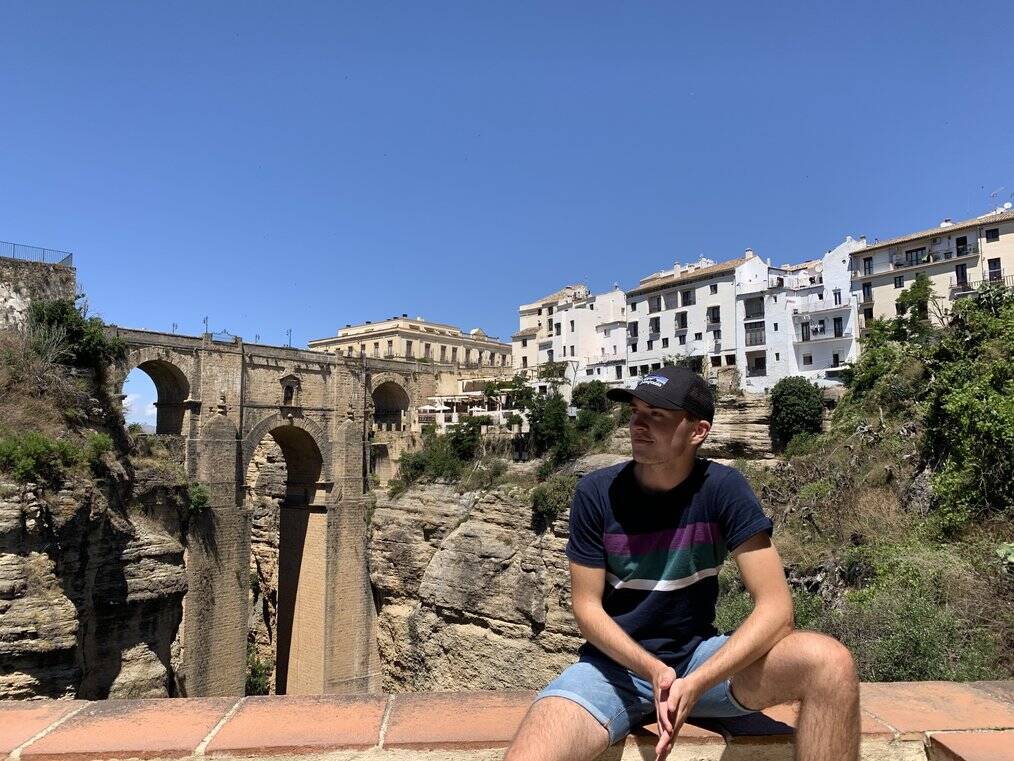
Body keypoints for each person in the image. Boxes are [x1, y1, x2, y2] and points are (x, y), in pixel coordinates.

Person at [504, 366, 859, 761]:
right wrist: (653, 670)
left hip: (700, 662)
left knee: (830, 663)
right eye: (637, 412)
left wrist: (697, 681)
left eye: (657, 415)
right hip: (612, 670)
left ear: (697, 431)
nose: (638, 425)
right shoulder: (596, 493)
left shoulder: (724, 490)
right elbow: (587, 608)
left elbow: (776, 611)